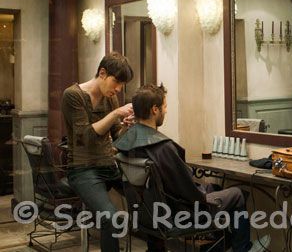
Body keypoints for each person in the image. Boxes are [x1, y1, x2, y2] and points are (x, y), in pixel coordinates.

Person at [113, 84, 271, 252]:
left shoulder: (126, 143)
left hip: (147, 215)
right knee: (237, 194)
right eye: (165, 107)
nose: (166, 111)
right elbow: (189, 191)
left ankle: (224, 243)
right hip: (179, 215)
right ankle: (243, 248)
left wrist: (206, 191)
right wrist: (204, 196)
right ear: (154, 109)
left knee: (214, 187)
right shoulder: (163, 148)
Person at [62, 52, 135, 252]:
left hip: (109, 166)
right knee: (109, 218)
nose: (118, 89)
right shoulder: (73, 95)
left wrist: (126, 127)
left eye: (122, 85)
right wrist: (114, 115)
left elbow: (117, 137)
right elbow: (84, 136)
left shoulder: (109, 97)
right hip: (82, 170)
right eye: (116, 82)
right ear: (102, 73)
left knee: (149, 198)